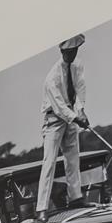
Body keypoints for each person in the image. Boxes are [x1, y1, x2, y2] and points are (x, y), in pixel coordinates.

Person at [38, 33, 90, 213]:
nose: (71, 54)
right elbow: (59, 107)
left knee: (73, 158)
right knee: (50, 161)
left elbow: (80, 88)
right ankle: (41, 208)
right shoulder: (52, 78)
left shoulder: (77, 66)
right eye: (68, 51)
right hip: (53, 119)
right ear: (62, 51)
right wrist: (76, 117)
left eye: (74, 50)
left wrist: (81, 109)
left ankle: (76, 198)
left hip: (71, 115)